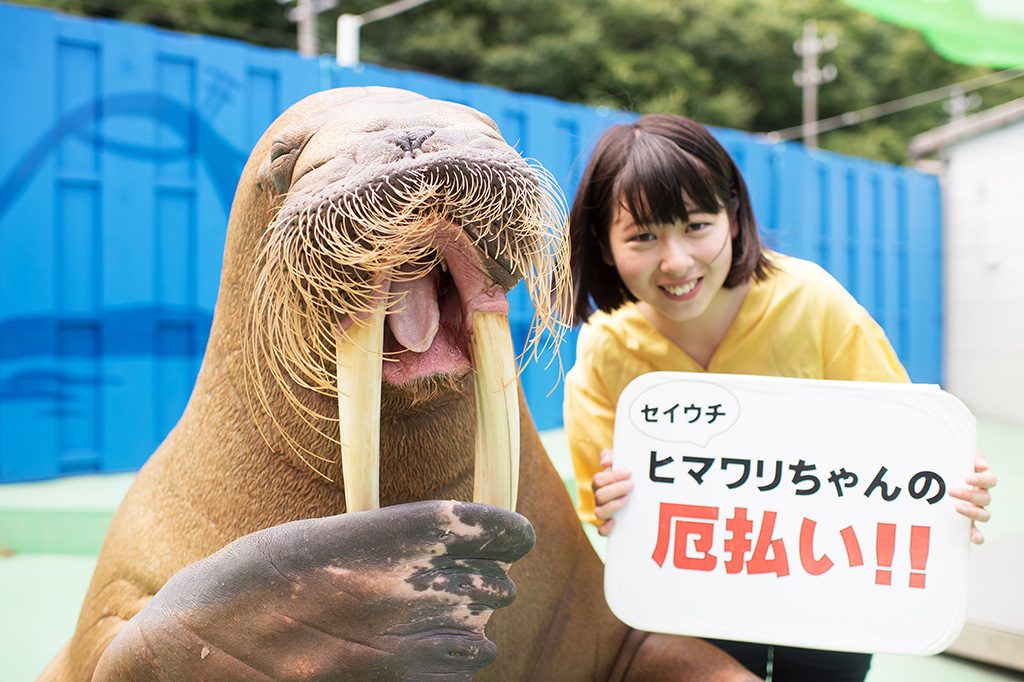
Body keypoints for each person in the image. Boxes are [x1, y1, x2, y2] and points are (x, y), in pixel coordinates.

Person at [563, 113, 996, 682]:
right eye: (643, 236)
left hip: (828, 582)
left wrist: (950, 489)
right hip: (694, 595)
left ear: (735, 219)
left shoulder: (812, 302)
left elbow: (905, 443)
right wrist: (613, 501)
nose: (675, 261)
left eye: (696, 225)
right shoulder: (605, 349)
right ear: (605, 245)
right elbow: (606, 510)